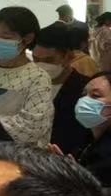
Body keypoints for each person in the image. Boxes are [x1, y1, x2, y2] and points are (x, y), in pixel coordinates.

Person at [0, 5, 56, 147]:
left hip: (12, 155)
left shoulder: (38, 77)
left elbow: (31, 127)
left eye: (6, 36)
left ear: (27, 38)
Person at [37, 18, 101, 156]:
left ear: (69, 56)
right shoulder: (31, 84)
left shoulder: (87, 91)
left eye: (49, 60)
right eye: (36, 59)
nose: (41, 65)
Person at [73, 72, 111, 186]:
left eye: (95, 95)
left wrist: (71, 176)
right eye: (84, 94)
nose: (84, 100)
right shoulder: (87, 138)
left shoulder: (107, 154)